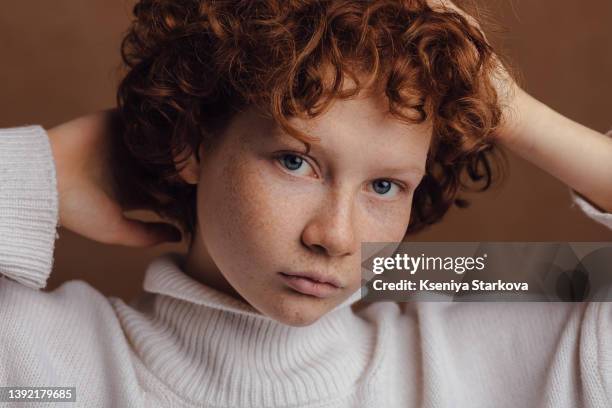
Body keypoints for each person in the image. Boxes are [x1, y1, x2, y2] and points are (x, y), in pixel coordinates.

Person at [0, 0, 610, 407]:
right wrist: (39, 168)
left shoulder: (465, 352)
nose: (336, 237)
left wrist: (510, 110)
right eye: (296, 162)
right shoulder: (40, 357)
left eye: (385, 185)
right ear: (191, 144)